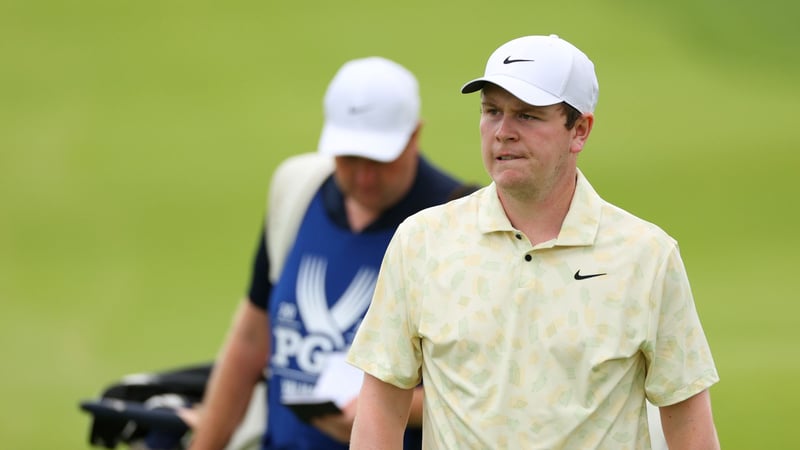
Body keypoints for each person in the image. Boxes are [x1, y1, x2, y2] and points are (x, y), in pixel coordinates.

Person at [347, 34, 721, 449]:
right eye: (492, 111)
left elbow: (689, 423)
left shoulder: (646, 256)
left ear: (579, 130)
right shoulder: (421, 241)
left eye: (526, 116)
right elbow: (381, 404)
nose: (503, 132)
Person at [189, 56, 463, 450]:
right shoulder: (297, 189)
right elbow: (250, 340)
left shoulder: (456, 223)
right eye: (350, 159)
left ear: (415, 136)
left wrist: (380, 406)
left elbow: (485, 391)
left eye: (380, 160)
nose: (364, 176)